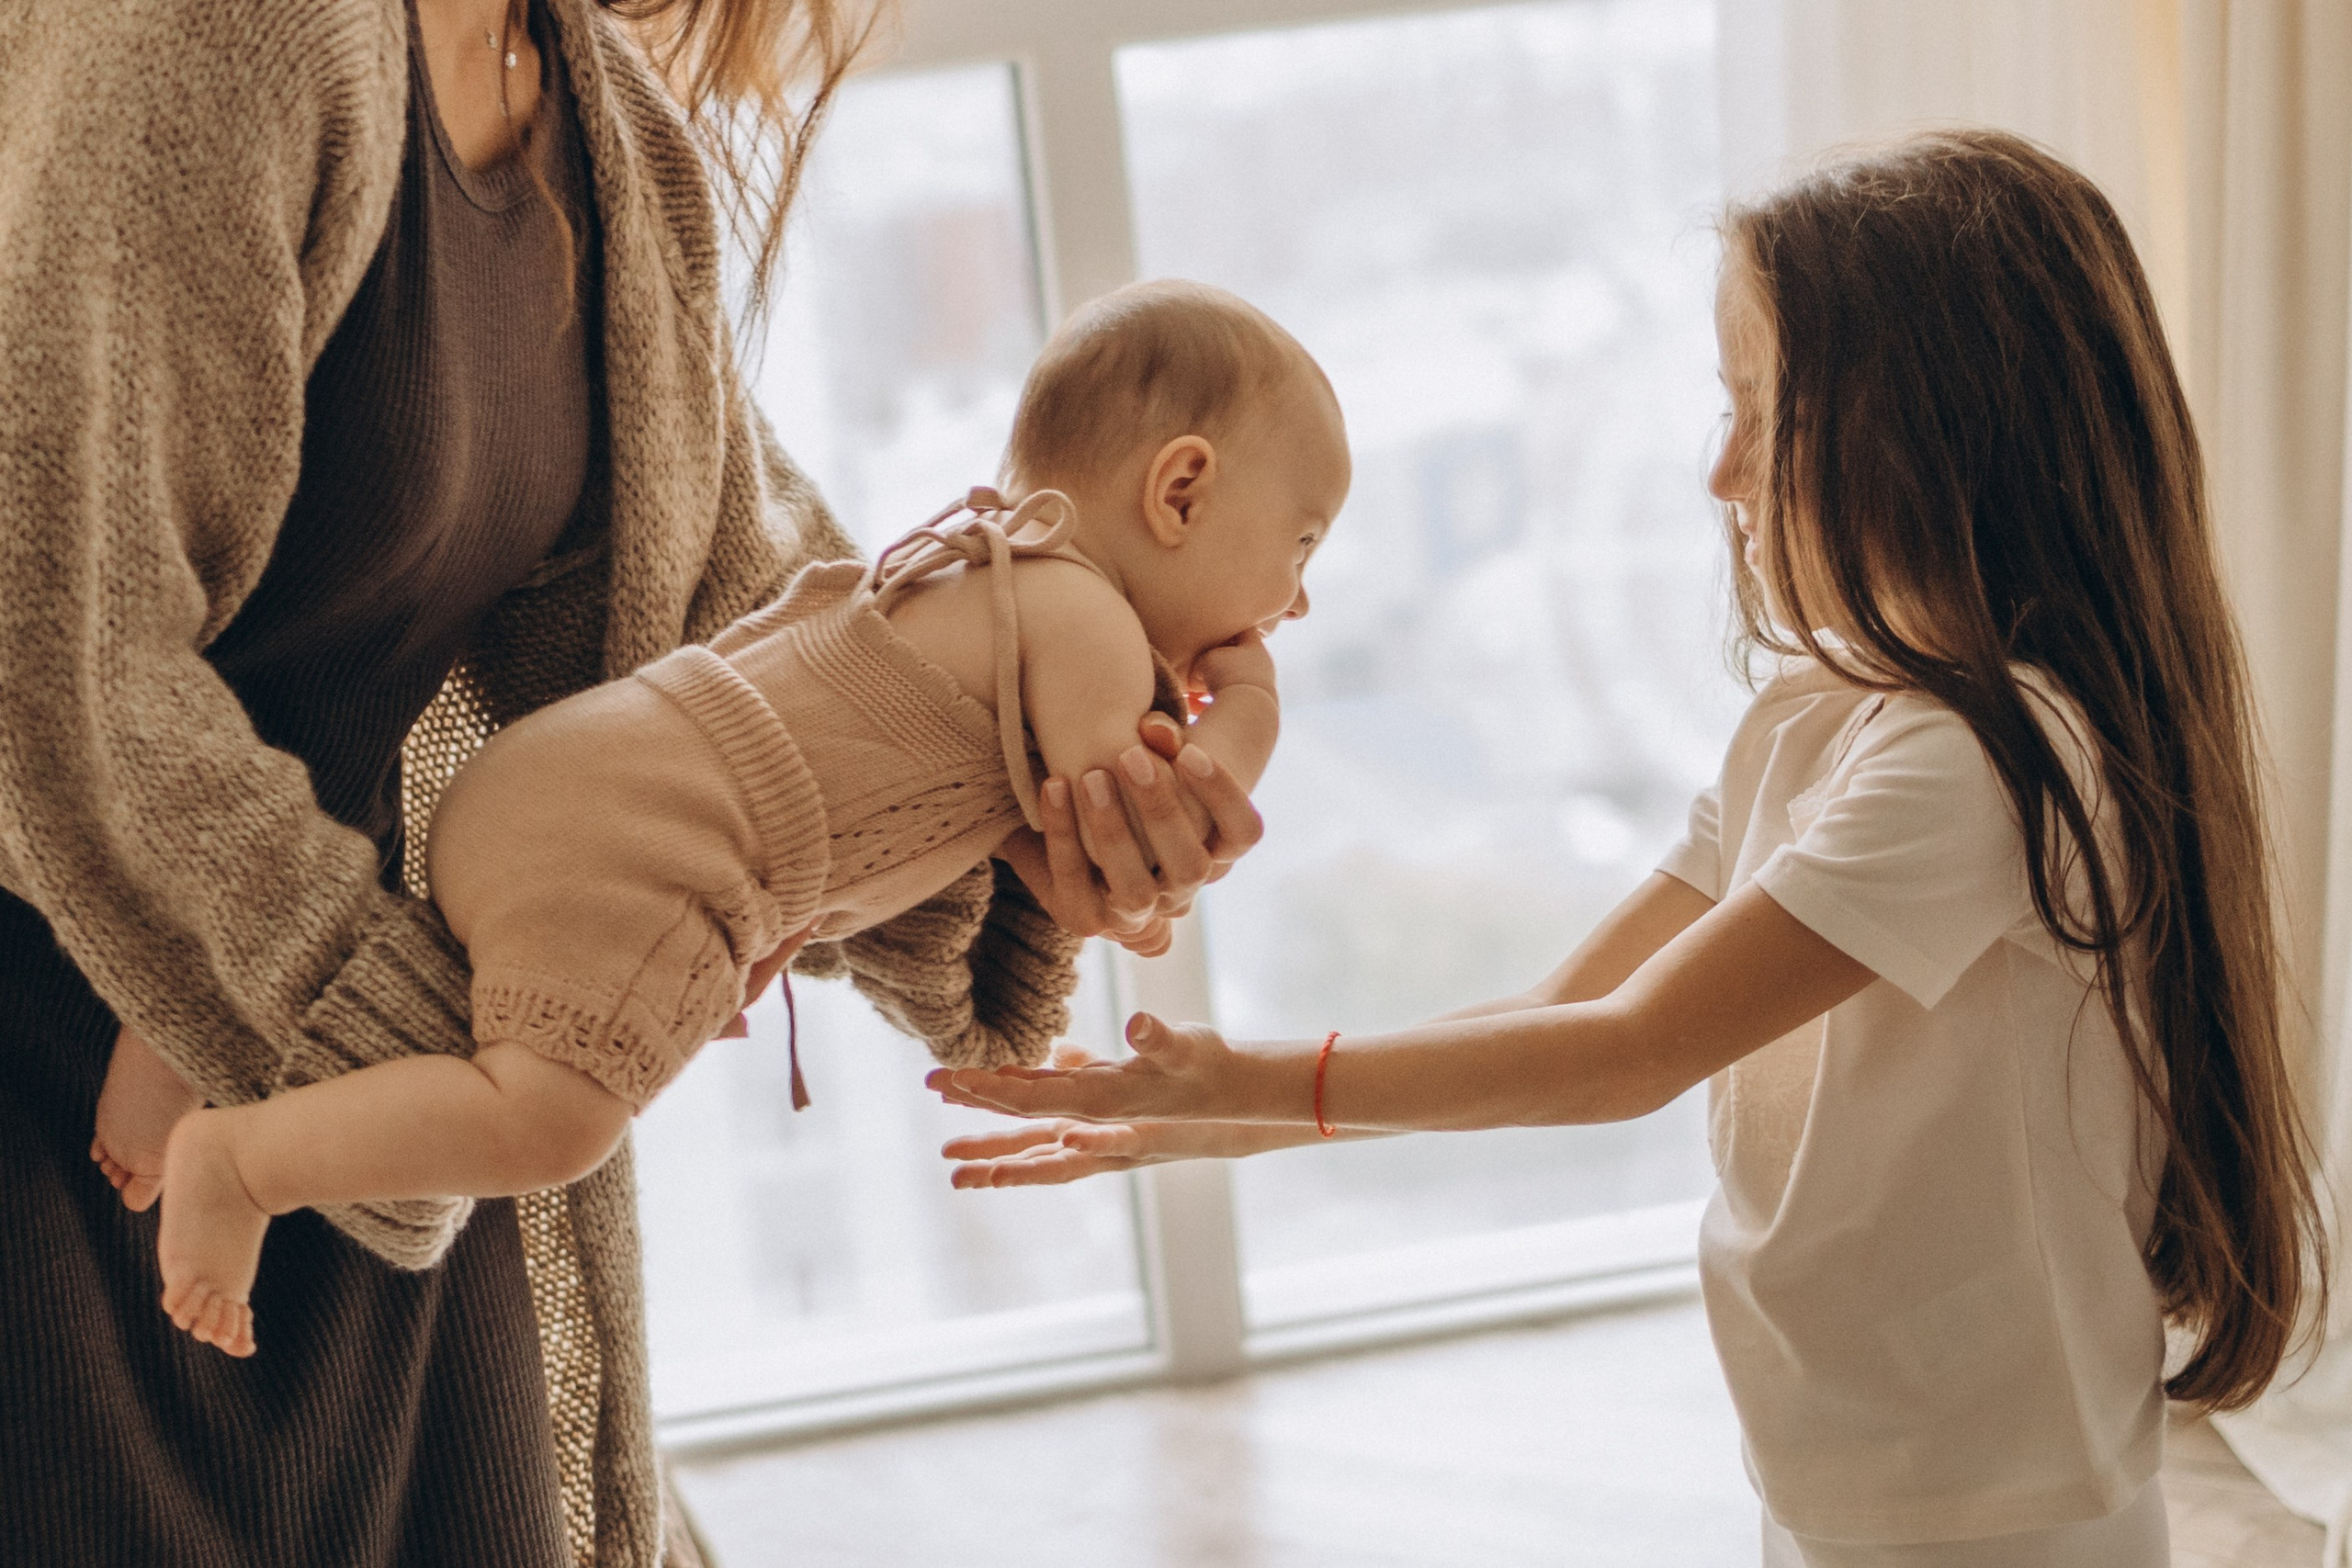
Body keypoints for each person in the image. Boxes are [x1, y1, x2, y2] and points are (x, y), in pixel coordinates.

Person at [932, 130, 2330, 1568]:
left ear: (1931, 433)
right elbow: (1563, 1009)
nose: (1721, 472)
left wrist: (1249, 1086)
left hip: (1994, 1486)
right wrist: (1226, 1110)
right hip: (1851, 1446)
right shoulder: (1812, 719)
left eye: (1763, 414)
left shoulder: (1985, 760)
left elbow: (1631, 1053)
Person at [0, 1, 1256, 1562]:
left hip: (358, 1113)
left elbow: (757, 618)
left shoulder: (594, 116)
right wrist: (447, 1075)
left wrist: (1032, 811)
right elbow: (46, 645)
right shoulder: (206, 37)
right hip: (93, 1113)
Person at [112, 282, 1348, 1359]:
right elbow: (1160, 817)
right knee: (550, 1122)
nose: (1294, 603)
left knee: (434, 997)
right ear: (1181, 490)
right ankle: (247, 1162)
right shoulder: (1090, 627)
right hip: (652, 838)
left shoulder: (980, 564)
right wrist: (1249, 708)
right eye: (1299, 545)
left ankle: (191, 1034)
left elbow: (1014, 826)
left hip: (569, 778)